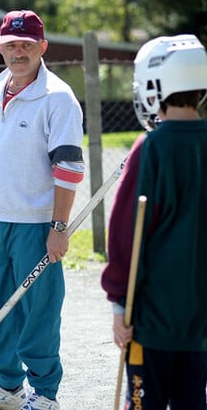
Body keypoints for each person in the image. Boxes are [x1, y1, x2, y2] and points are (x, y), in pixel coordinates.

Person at [0, 10, 85, 410]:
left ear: (42, 47)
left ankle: (45, 393)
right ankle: (8, 386)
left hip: (38, 225)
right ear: (1, 48)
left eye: (27, 45)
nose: (19, 52)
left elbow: (67, 169)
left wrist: (59, 227)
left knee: (39, 311)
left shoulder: (58, 97)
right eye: (12, 45)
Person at [101, 34, 207, 410]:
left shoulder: (152, 148)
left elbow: (126, 232)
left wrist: (118, 303)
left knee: (145, 402)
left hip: (152, 320)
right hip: (199, 324)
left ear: (153, 85)